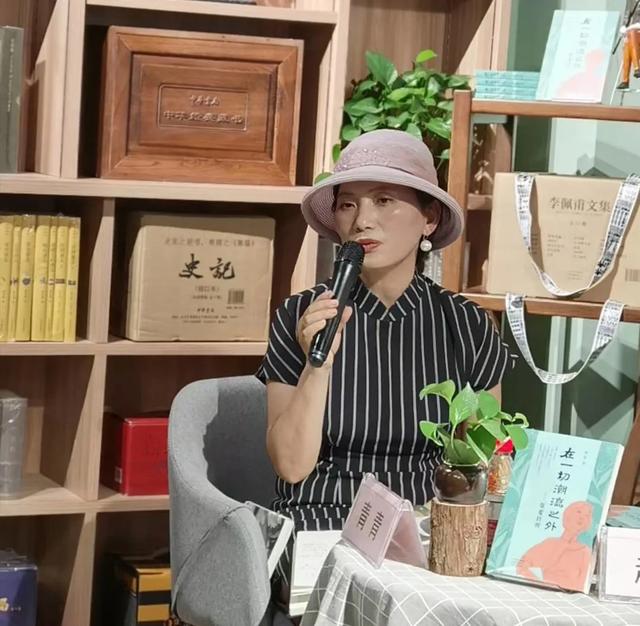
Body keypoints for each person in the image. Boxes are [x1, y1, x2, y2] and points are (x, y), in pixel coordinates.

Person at [256, 129, 517, 587]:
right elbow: (292, 466)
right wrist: (318, 364)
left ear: (429, 218)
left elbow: (481, 465)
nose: (362, 221)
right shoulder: (300, 315)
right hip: (321, 526)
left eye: (383, 200)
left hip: (428, 533)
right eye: (347, 204)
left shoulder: (468, 325)